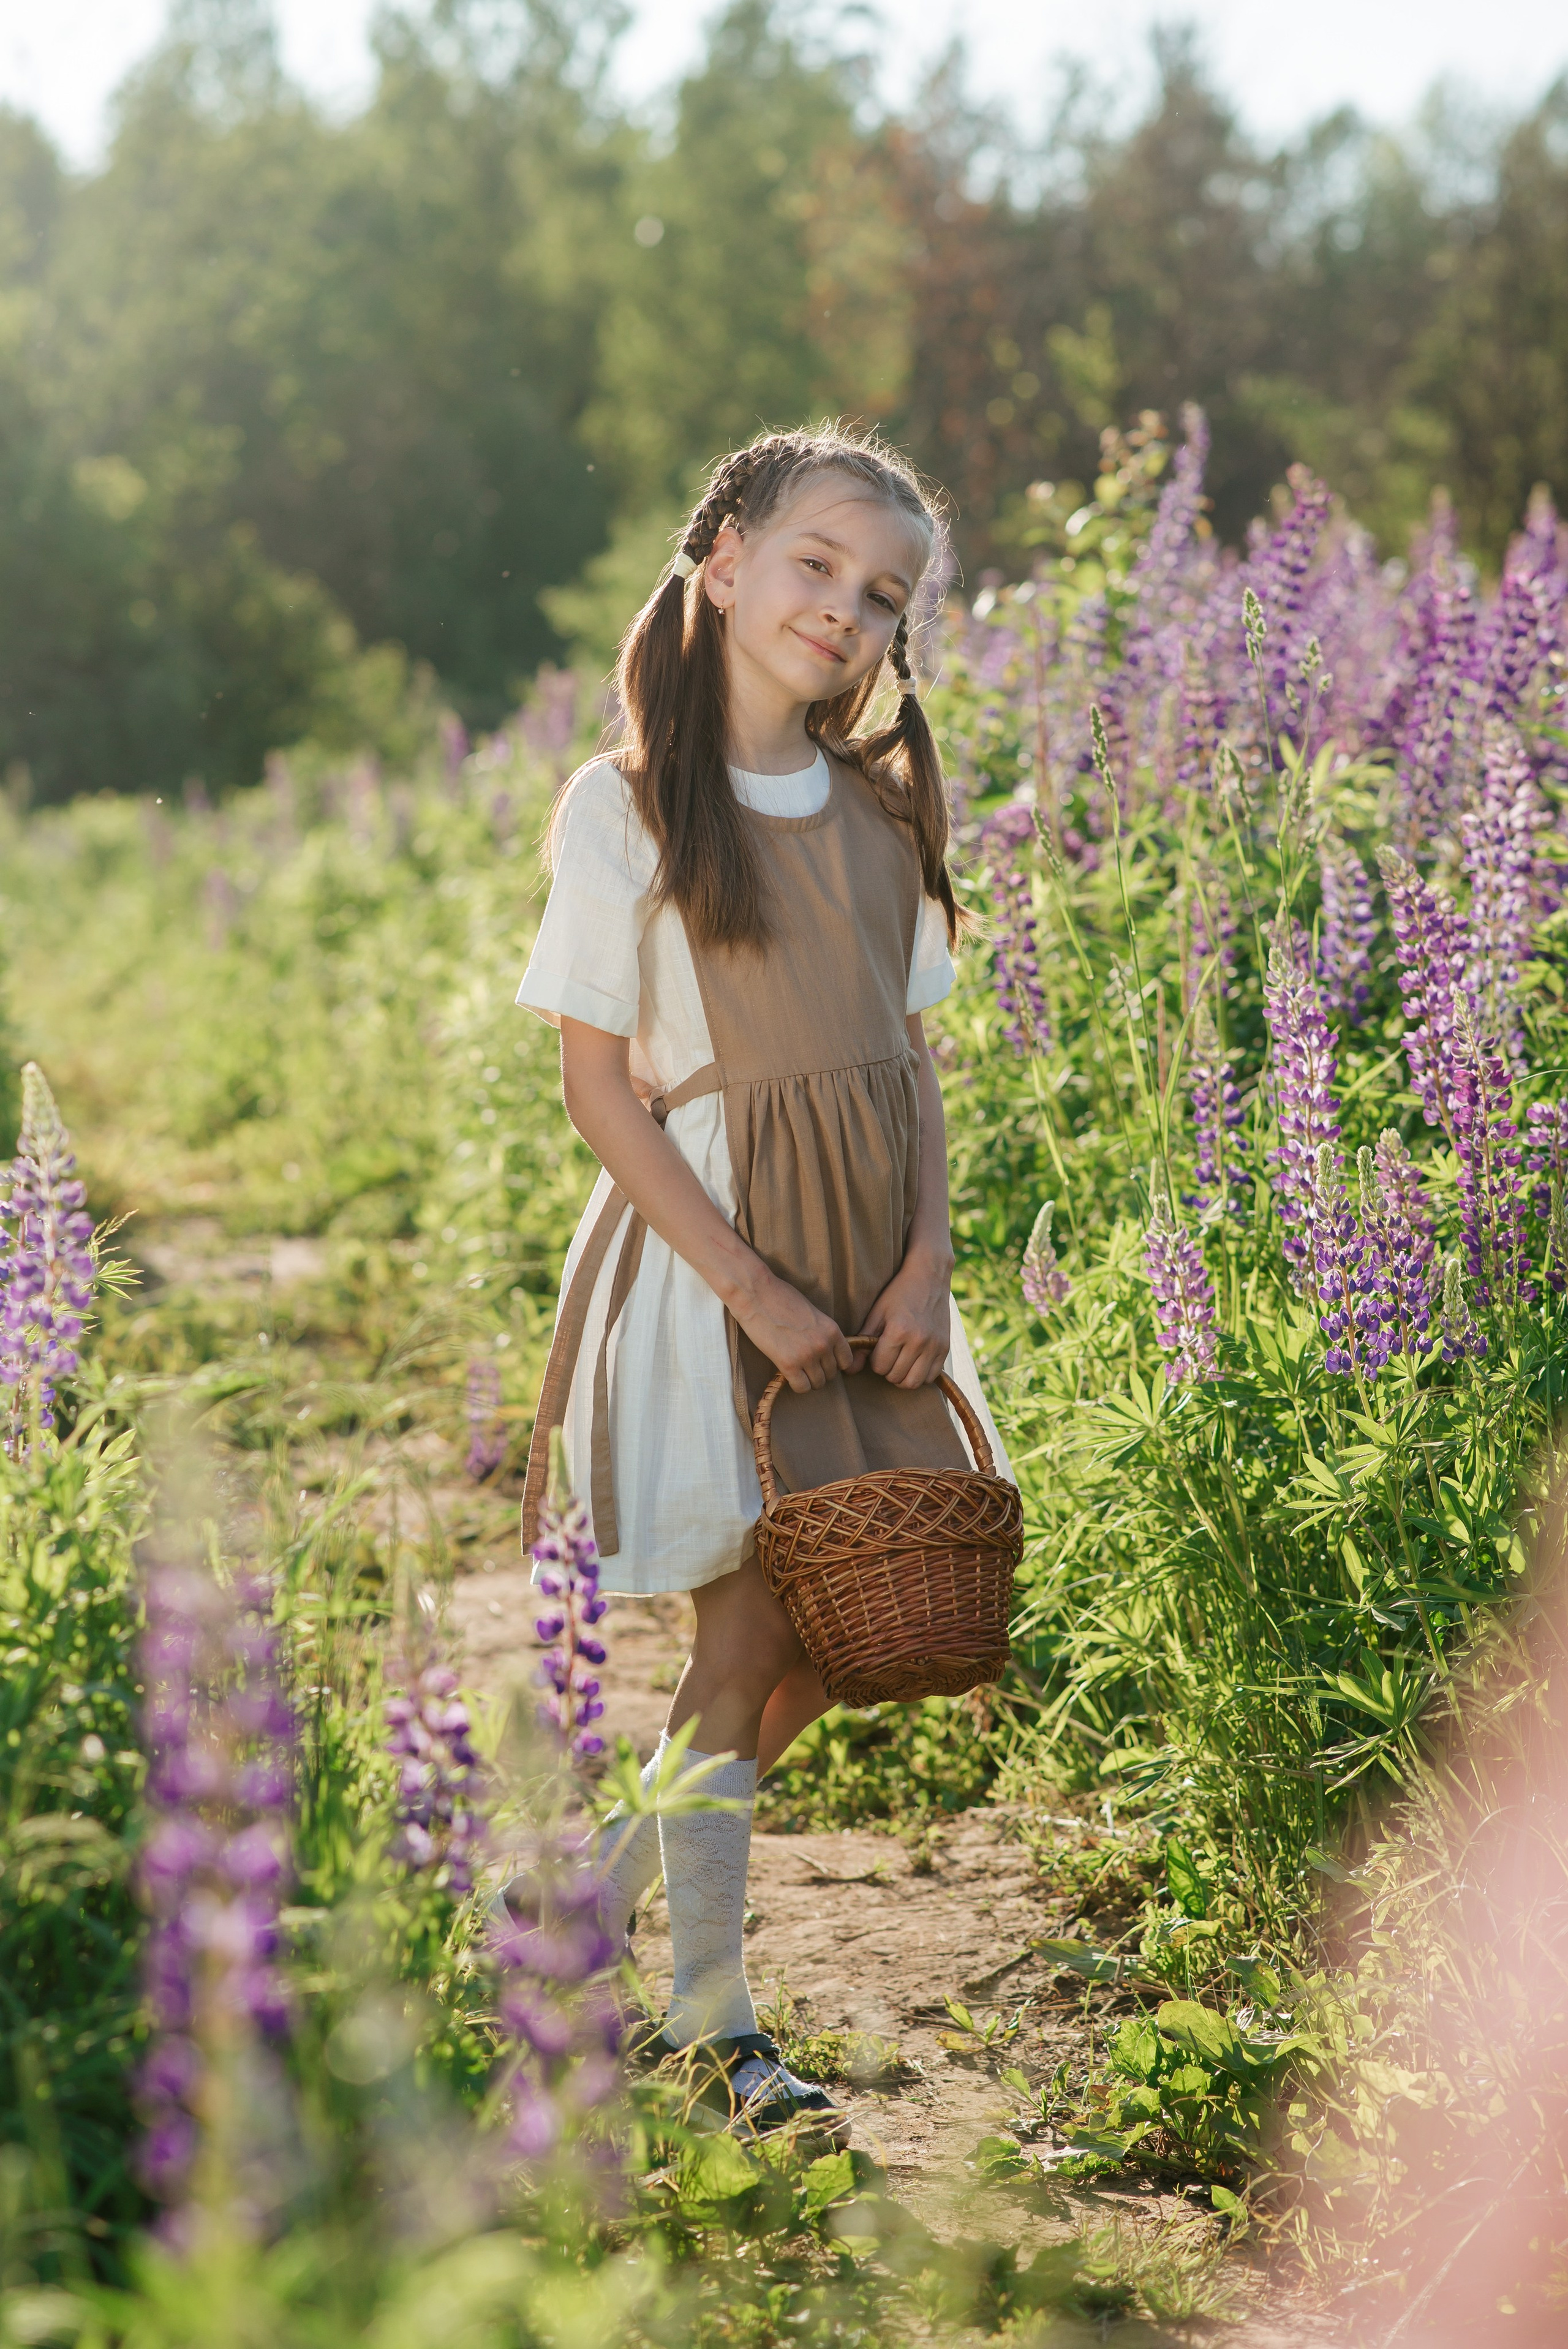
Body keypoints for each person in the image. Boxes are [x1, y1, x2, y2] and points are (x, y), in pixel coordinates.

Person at [515, 423, 1013, 2143]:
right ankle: (710, 2027)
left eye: (882, 596)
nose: (847, 610)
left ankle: (572, 1924)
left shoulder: (880, 812)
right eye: (816, 564)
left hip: (874, 1269)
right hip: (724, 1262)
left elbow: (910, 1062)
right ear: (720, 560)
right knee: (751, 1628)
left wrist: (930, 1258)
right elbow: (600, 1088)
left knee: (818, 1631)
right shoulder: (632, 803)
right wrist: (752, 1290)